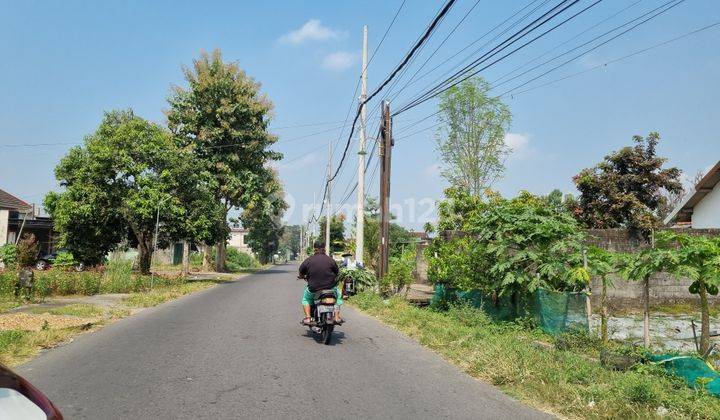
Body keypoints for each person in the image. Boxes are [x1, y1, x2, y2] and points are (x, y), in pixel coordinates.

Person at [298, 241, 343, 325]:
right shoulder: (331, 260)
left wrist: (301, 276)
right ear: (324, 249)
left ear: (314, 249)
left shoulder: (308, 260)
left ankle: (308, 318)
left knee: (306, 299)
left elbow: (301, 272)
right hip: (330, 289)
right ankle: (336, 317)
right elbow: (337, 273)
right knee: (338, 297)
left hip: (313, 289)